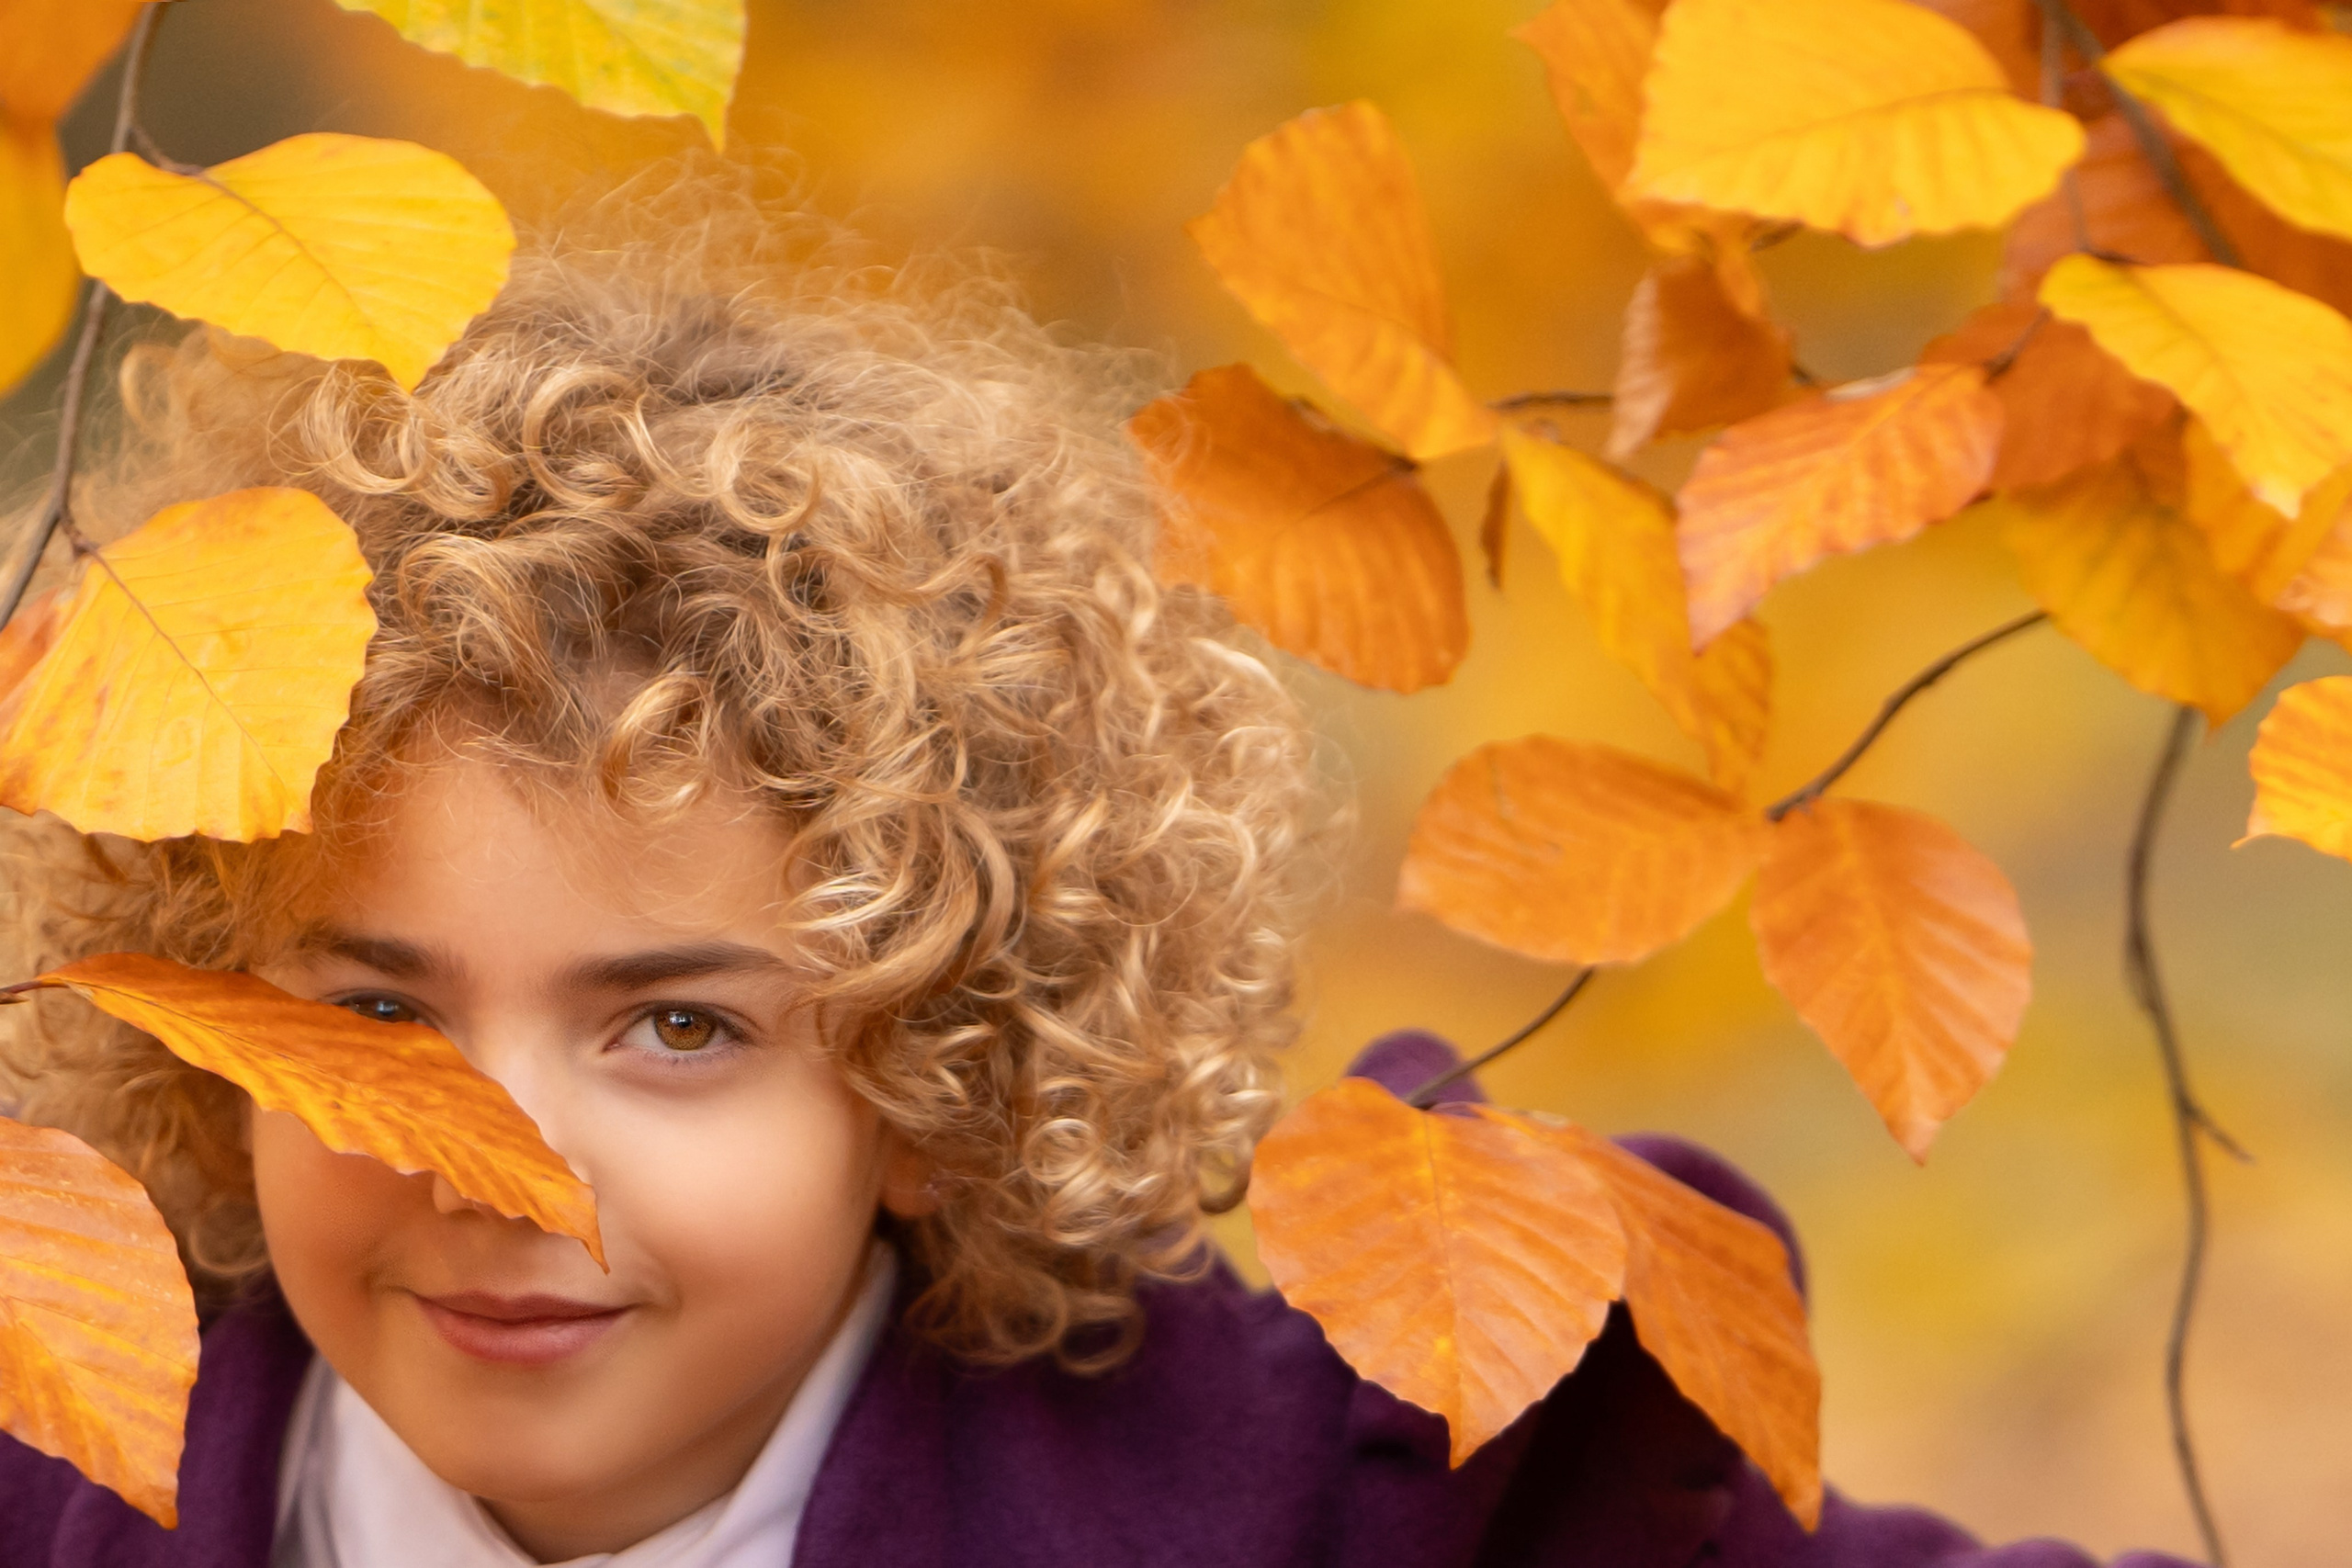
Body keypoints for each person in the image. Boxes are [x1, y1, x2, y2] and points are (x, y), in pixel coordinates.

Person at [0, 175, 2194, 1568]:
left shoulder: (1302, 1501)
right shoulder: (60, 1469)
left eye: (679, 1023)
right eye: (374, 1011)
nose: (499, 1160)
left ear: (935, 1076)